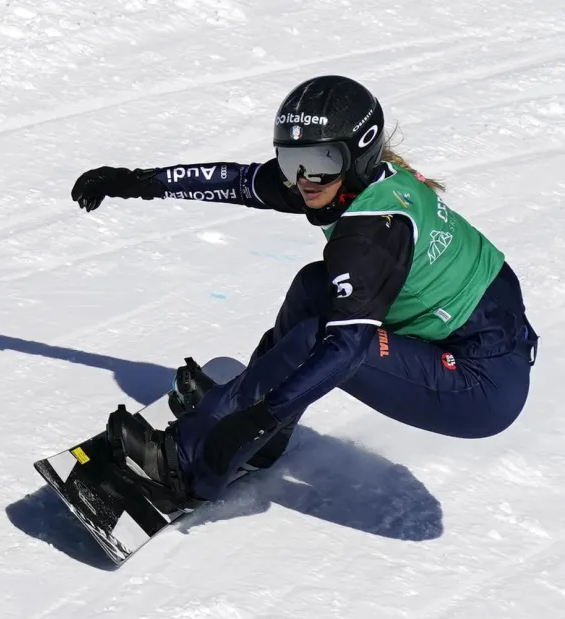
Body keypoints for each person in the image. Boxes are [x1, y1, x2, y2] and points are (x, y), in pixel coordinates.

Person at [69, 75, 539, 514]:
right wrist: (136, 182)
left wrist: (250, 419)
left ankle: (187, 466)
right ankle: (260, 434)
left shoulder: (370, 233)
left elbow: (345, 351)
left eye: (318, 162)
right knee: (315, 286)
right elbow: (233, 181)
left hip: (480, 385)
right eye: (291, 160)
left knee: (321, 339)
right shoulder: (339, 182)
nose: (304, 179)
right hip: (467, 331)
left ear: (356, 156)